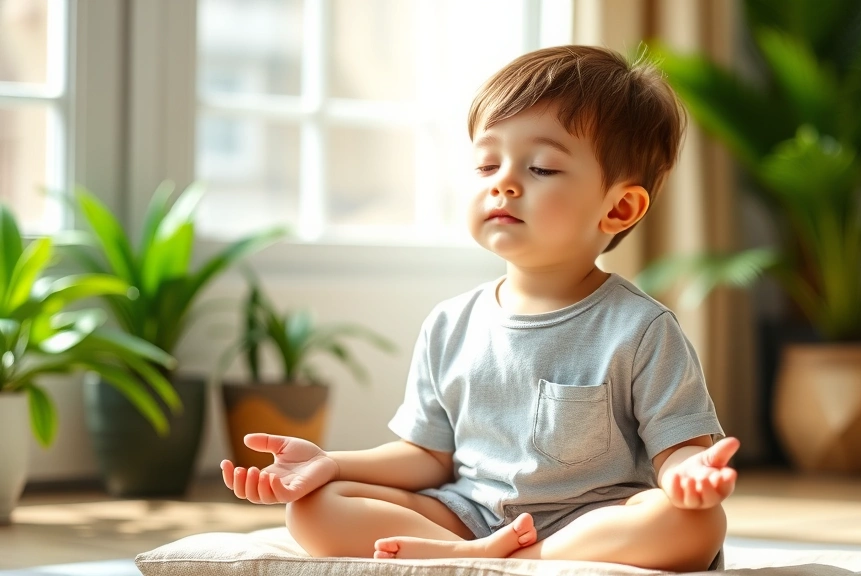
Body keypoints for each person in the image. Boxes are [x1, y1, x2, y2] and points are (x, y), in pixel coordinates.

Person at [222, 45, 739, 573]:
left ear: (618, 207)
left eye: (540, 167)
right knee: (312, 507)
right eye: (488, 163)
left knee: (694, 523)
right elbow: (428, 457)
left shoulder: (641, 328)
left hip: (590, 521)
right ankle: (476, 551)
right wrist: (330, 463)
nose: (503, 182)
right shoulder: (450, 323)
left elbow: (680, 448)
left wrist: (688, 476)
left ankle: (508, 560)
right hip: (463, 515)